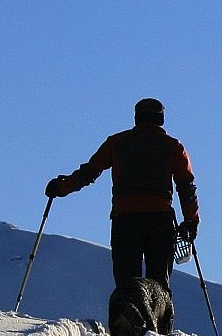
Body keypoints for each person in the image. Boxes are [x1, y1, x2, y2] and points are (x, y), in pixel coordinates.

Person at [46, 97, 199, 290]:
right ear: (161, 119)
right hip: (160, 220)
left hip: (125, 219)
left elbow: (89, 172)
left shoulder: (117, 143)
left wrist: (62, 187)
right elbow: (186, 185)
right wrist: (191, 220)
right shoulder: (173, 146)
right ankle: (158, 319)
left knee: (127, 286)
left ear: (136, 117)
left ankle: (126, 318)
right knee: (159, 286)